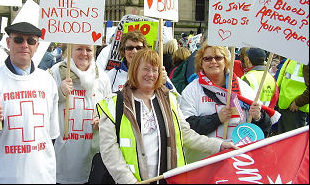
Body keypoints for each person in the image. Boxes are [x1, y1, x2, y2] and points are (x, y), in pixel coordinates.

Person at [96, 49, 238, 183]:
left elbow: (186, 135)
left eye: (155, 70)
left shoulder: (169, 99)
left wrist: (219, 145)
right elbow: (109, 150)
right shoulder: (114, 104)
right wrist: (129, 181)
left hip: (169, 180)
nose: (151, 74)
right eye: (146, 69)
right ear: (134, 70)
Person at [0, 22, 60, 183]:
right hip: (2, 177)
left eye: (31, 41)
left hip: (41, 177)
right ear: (8, 43)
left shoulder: (47, 81)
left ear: (37, 46)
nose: (25, 45)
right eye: (18, 40)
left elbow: (51, 135)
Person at [180, 42, 272, 144]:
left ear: (226, 61)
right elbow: (186, 128)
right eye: (207, 58)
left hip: (238, 154)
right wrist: (217, 118)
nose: (213, 61)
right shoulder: (191, 90)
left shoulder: (243, 87)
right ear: (200, 62)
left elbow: (263, 127)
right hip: (206, 155)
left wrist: (258, 117)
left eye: (218, 58)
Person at [50, 44, 112, 183]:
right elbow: (44, 107)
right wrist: (60, 93)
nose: (84, 53)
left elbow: (108, 110)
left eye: (89, 50)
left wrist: (102, 119)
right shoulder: (57, 72)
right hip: (63, 154)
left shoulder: (101, 76)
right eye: (79, 49)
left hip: (91, 154)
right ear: (70, 50)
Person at [106, 30, 175, 93]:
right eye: (130, 48)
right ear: (123, 51)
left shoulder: (155, 73)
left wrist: (163, 83)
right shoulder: (113, 75)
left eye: (138, 48)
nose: (134, 51)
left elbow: (175, 100)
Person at [276, 59, 309, 134]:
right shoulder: (293, 57)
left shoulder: (305, 59)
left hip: (295, 109)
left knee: (291, 142)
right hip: (285, 105)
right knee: (283, 140)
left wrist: (298, 103)